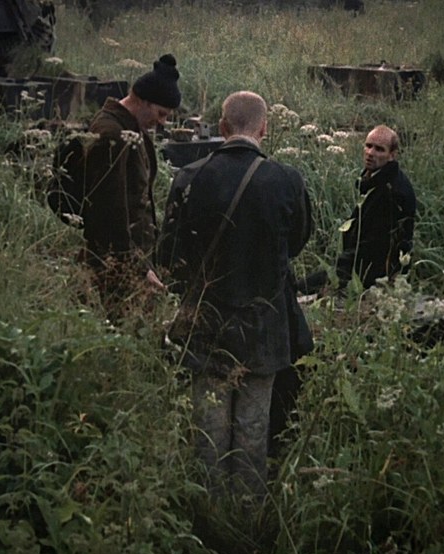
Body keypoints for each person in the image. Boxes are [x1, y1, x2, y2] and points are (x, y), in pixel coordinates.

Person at [159, 91, 313, 500]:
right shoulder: (287, 180)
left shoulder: (190, 176)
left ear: (223, 127)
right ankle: (246, 511)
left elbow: (169, 253)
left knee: (207, 428)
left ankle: (208, 511)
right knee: (252, 428)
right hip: (264, 324)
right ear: (264, 128)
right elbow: (296, 242)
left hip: (206, 320)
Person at [81, 53, 181, 321]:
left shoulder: (133, 131)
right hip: (117, 264)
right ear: (143, 101)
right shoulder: (112, 135)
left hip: (133, 260)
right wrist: (137, 267)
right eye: (160, 113)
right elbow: (108, 212)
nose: (162, 122)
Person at [336, 124, 416, 291]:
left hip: (373, 276)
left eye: (379, 149)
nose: (370, 153)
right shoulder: (374, 180)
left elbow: (374, 247)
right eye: (368, 146)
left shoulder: (390, 192)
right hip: (358, 265)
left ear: (392, 155)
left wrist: (340, 272)